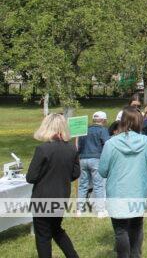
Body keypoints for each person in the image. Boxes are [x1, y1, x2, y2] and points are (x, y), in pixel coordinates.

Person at [99, 107, 147, 258]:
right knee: (136, 227)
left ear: (122, 122)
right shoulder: (146, 141)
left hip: (118, 192)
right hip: (138, 190)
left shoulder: (111, 143)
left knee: (121, 230)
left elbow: (102, 170)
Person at [26, 113, 80, 258]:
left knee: (43, 235)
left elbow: (31, 177)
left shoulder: (43, 149)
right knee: (56, 229)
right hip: (61, 197)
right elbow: (75, 174)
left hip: (42, 197)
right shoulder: (71, 149)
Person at [77, 110, 110, 216]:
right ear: (104, 120)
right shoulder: (103, 130)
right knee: (98, 185)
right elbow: (107, 145)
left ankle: (79, 210)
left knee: (82, 185)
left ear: (93, 120)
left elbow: (78, 146)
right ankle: (100, 210)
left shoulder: (84, 130)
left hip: (82, 159)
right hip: (96, 159)